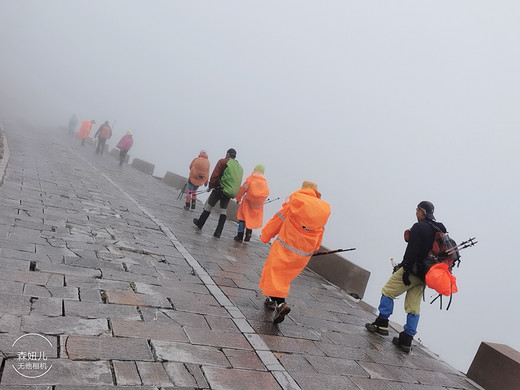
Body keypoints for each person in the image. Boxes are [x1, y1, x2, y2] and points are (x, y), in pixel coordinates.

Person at [365, 201, 447, 353]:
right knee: (413, 305)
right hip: (426, 275)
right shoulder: (438, 229)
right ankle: (406, 339)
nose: (416, 212)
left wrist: (405, 269)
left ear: (422, 212)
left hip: (413, 270)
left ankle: (381, 323)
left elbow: (412, 251)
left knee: (388, 291)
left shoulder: (419, 227)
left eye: (417, 210)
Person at [259, 181, 331, 324]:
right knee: (282, 277)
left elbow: (277, 220)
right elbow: (320, 232)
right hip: (303, 253)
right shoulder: (321, 210)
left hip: (285, 246)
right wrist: (314, 248)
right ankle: (272, 300)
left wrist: (265, 236)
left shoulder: (296, 202)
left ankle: (280, 304)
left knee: (274, 272)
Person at [193, 148, 243, 238]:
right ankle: (218, 232)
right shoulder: (238, 167)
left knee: (209, 206)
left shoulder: (223, 162)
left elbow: (215, 175)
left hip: (218, 189)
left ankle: (200, 223)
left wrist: (211, 185)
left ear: (228, 154)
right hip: (228, 191)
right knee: (223, 211)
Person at [234, 164, 269, 243]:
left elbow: (243, 188)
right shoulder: (264, 181)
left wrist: (238, 198)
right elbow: (266, 193)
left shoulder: (251, 178)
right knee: (250, 219)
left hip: (247, 202)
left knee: (242, 218)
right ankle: (249, 234)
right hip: (257, 205)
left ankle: (239, 237)